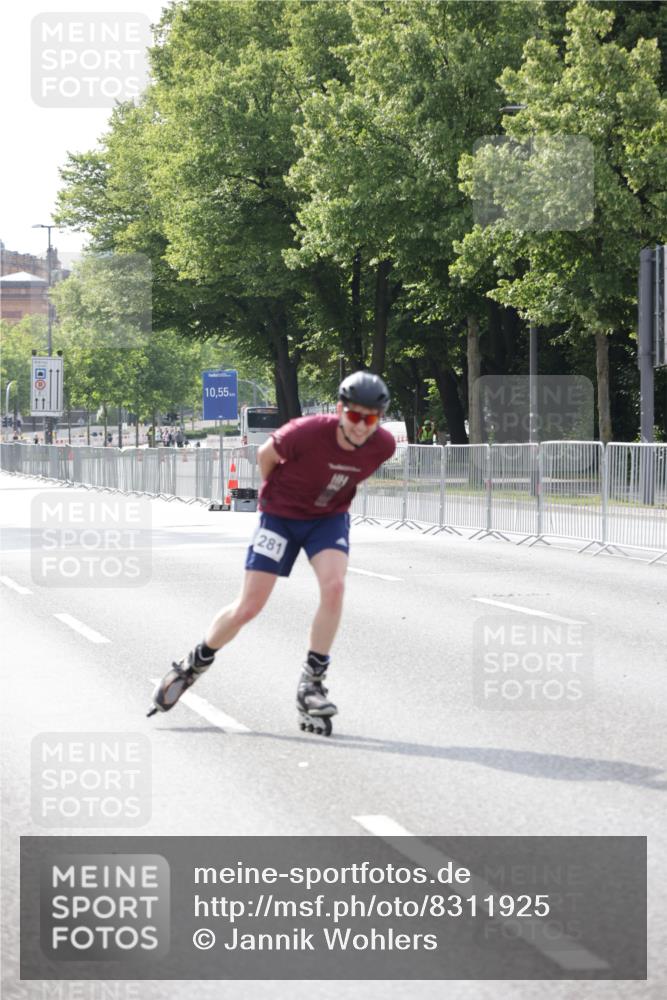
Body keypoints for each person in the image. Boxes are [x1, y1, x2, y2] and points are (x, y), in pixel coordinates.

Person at [148, 371, 396, 736]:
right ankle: (194, 664)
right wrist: (275, 498)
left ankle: (311, 682)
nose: (362, 426)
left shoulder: (383, 446)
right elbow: (266, 457)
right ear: (341, 410)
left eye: (370, 419)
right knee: (249, 606)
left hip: (326, 519)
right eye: (355, 416)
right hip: (280, 517)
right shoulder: (306, 431)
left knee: (335, 587)